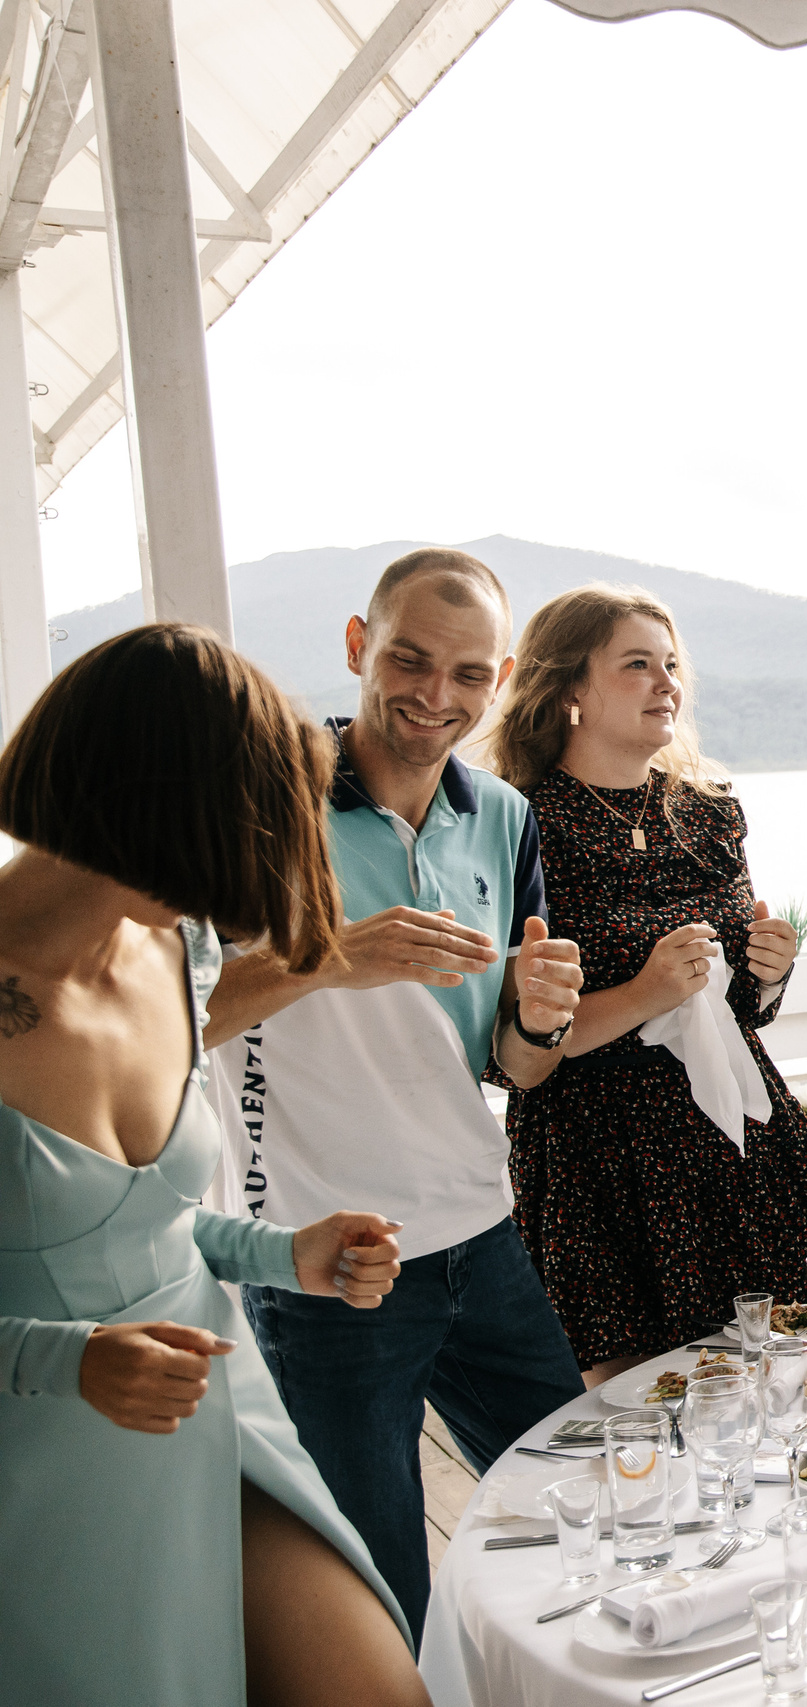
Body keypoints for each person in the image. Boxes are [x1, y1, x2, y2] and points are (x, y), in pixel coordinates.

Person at [0, 623, 425, 1706]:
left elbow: (145, 1227)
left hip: (220, 1407)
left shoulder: (173, 951)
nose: (232, 890)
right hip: (45, 1465)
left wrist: (290, 1253)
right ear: (152, 805)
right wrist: (71, 1361)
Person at [206, 549, 588, 1637]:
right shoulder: (257, 799)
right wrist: (327, 957)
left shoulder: (505, 817)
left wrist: (540, 1014)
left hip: (483, 1234)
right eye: (409, 659)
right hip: (332, 1263)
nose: (435, 695)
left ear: (501, 678)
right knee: (378, 1594)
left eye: (469, 675)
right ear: (355, 645)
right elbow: (179, 1014)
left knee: (588, 1510)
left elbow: (509, 1069)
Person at [483, 584, 807, 1380]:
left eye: (672, 663)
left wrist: (769, 972)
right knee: (639, 1409)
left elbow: (741, 1012)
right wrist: (645, 993)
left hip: (737, 1143)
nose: (666, 682)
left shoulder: (711, 812)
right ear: (571, 689)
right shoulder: (517, 827)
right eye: (637, 664)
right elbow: (506, 1043)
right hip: (599, 1160)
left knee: (790, 1379)